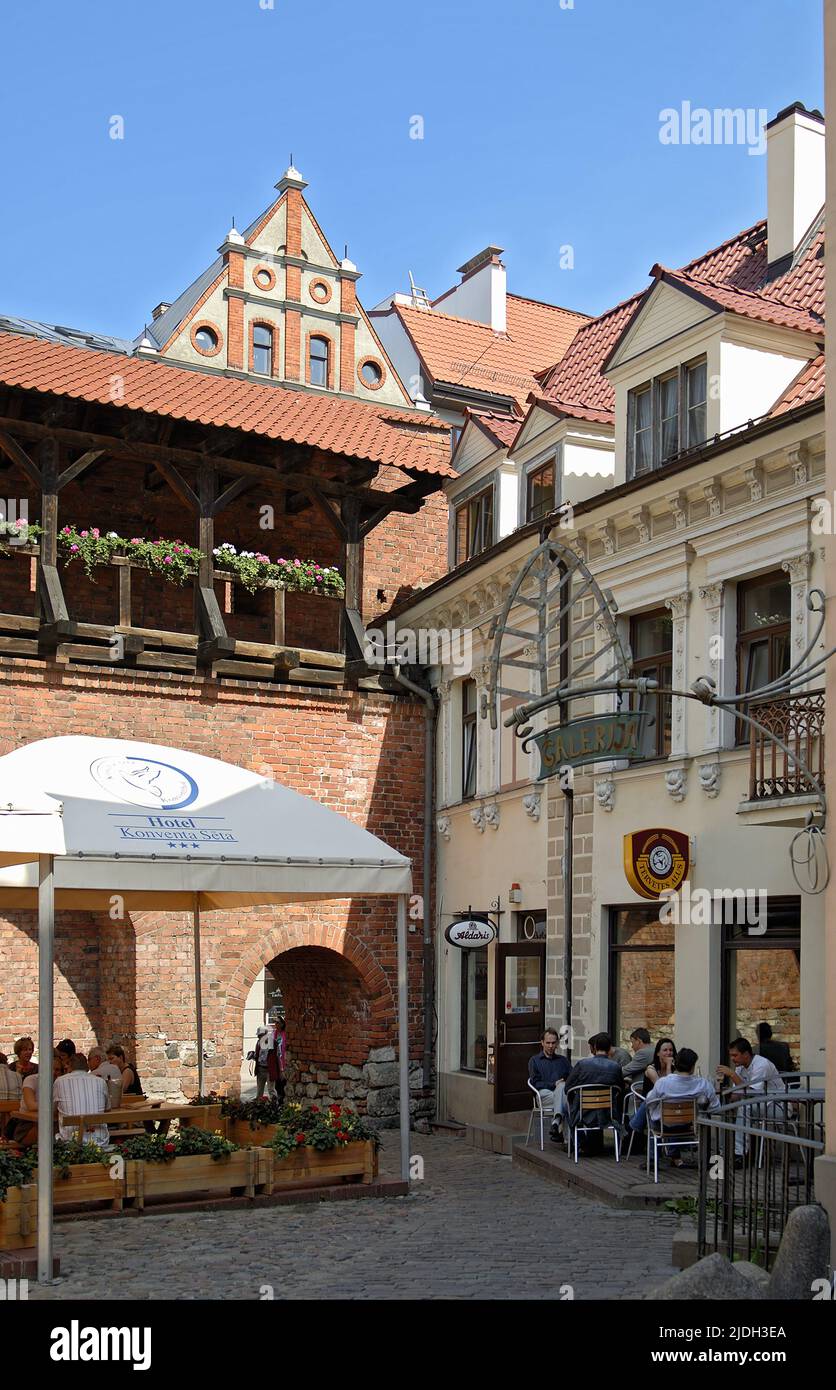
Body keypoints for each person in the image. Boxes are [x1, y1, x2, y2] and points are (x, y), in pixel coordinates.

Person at [645, 1047, 719, 1167]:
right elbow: (715, 1107)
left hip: (665, 1126)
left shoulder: (663, 1083)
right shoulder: (703, 1084)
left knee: (651, 1114)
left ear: (675, 1063)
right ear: (693, 1066)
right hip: (690, 1126)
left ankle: (653, 1159)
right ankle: (705, 1159)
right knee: (706, 1118)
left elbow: (649, 1101)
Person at [716, 1036, 784, 1159]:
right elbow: (738, 1093)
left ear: (746, 1054)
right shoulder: (740, 1067)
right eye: (731, 1055)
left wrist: (732, 1074)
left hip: (777, 1105)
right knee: (727, 1108)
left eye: (735, 1055)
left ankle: (740, 1154)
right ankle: (723, 1151)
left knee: (744, 1107)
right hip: (759, 1104)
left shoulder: (761, 1065)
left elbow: (752, 1092)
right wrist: (727, 1096)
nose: (732, 1059)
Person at [562, 1032, 623, 1154]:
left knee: (566, 1108)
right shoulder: (615, 1067)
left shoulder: (583, 1064)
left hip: (584, 1112)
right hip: (608, 1112)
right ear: (609, 1048)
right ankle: (590, 1144)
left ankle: (579, 1143)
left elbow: (568, 1087)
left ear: (594, 1047)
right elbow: (620, 1088)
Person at [54, 1053, 111, 1146]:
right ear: (87, 1067)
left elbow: (53, 1110)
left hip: (70, 1142)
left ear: (70, 1067)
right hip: (100, 1141)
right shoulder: (100, 1082)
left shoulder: (60, 1081)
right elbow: (108, 1108)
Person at [528, 1027, 571, 1141]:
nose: (550, 1046)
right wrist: (554, 1085)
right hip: (544, 1095)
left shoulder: (563, 1060)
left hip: (559, 1095)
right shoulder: (535, 1060)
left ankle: (556, 1123)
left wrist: (561, 1086)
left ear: (557, 1043)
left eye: (553, 1043)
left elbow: (572, 1077)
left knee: (563, 1090)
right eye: (548, 1043)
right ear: (542, 1043)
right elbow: (536, 1083)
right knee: (567, 1098)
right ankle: (571, 1138)